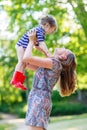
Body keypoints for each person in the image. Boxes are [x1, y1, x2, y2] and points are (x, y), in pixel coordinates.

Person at [22, 31, 77, 130]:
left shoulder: (55, 63)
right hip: (37, 98)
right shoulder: (53, 65)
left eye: (65, 49)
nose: (63, 47)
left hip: (40, 100)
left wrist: (31, 42)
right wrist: (29, 45)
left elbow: (27, 58)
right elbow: (25, 62)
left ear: (63, 57)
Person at [10, 15, 57, 90]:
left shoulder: (40, 32)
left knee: (25, 63)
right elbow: (42, 44)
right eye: (52, 29)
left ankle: (19, 81)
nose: (52, 32)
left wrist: (45, 53)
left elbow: (37, 46)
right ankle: (14, 80)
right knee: (21, 62)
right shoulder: (39, 31)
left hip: (24, 46)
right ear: (47, 25)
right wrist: (47, 53)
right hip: (21, 45)